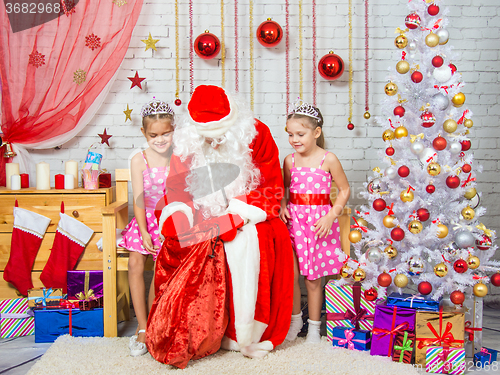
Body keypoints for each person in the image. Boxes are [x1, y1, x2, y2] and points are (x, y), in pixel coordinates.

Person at [147, 85, 294, 368]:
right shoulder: (187, 142)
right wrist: (180, 215)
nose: (214, 144)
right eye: (207, 138)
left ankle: (244, 332)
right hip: (204, 212)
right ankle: (196, 330)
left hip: (251, 211)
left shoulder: (256, 133)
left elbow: (272, 186)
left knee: (244, 244)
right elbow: (177, 187)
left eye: (219, 137)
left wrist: (236, 215)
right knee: (182, 245)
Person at [279, 101, 350, 343]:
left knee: (313, 279)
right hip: (295, 223)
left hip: (319, 224)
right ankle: (295, 319)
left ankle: (313, 328)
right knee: (291, 275)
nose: (294, 139)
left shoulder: (328, 159)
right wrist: (282, 205)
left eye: (300, 134)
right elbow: (284, 191)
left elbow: (344, 190)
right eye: (290, 134)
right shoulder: (289, 161)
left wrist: (331, 216)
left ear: (316, 132)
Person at [117, 98, 174, 356]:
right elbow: (138, 200)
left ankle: (153, 321)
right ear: (144, 133)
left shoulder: (178, 158)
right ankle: (141, 327)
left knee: (161, 262)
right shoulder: (139, 160)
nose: (160, 139)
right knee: (135, 263)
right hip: (144, 221)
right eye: (154, 135)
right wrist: (143, 231)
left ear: (174, 131)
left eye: (166, 133)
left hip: (169, 221)